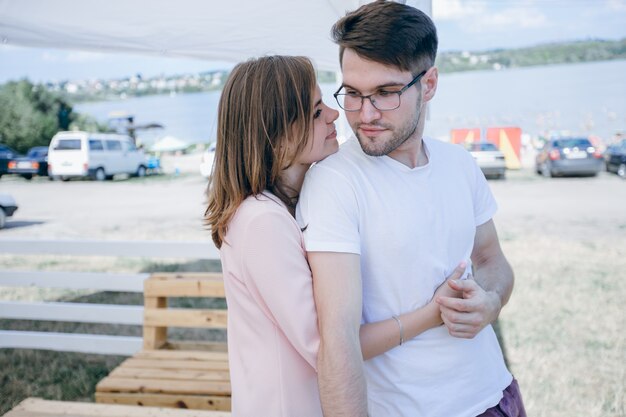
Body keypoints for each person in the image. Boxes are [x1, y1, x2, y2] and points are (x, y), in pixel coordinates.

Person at [296, 2, 526, 417]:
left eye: (385, 93)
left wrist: (491, 302)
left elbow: (492, 260)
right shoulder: (334, 182)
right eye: (352, 93)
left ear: (430, 83)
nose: (364, 115)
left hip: (497, 395)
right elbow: (338, 342)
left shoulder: (459, 163)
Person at [205, 55, 466, 416]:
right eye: (315, 112)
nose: (333, 114)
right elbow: (329, 345)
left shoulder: (276, 210)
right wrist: (432, 313)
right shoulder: (263, 221)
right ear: (276, 134)